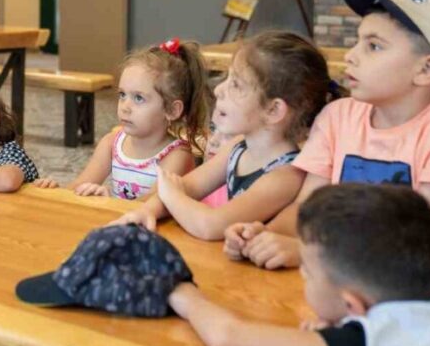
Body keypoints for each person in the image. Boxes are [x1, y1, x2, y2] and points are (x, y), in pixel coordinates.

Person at [224, 0, 430, 269]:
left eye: (374, 46)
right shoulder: (338, 117)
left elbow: (418, 239)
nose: (350, 55)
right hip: (341, 276)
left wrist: (309, 252)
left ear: (426, 69)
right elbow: (306, 208)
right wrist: (262, 237)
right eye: (357, 41)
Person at [171, 184, 430, 346]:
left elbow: (230, 338)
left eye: (307, 270)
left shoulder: (373, 341)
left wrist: (180, 291)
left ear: (353, 305)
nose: (302, 273)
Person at [114, 31, 334, 240]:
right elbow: (189, 186)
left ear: (273, 110)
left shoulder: (285, 175)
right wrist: (148, 210)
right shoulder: (238, 146)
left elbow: (211, 225)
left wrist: (170, 193)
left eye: (236, 84)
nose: (218, 90)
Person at [33, 38, 209, 199]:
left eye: (138, 98)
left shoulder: (177, 155)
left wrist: (107, 203)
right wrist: (54, 191)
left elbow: (152, 206)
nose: (125, 106)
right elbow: (78, 188)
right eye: (122, 95)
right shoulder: (111, 144)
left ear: (172, 110)